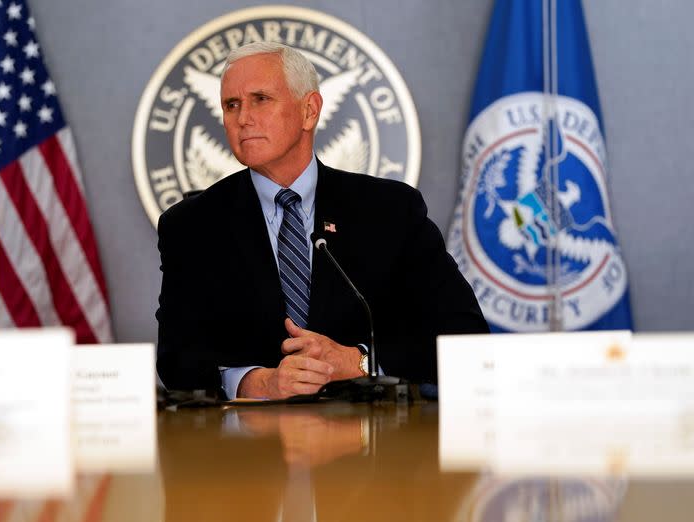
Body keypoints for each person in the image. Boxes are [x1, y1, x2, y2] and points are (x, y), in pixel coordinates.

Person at [156, 42, 488, 399]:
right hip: (253, 447)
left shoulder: (391, 210)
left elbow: (465, 337)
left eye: (261, 99)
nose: (243, 118)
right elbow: (177, 360)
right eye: (231, 105)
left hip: (376, 446)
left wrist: (359, 362)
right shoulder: (191, 226)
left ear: (309, 111)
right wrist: (258, 382)